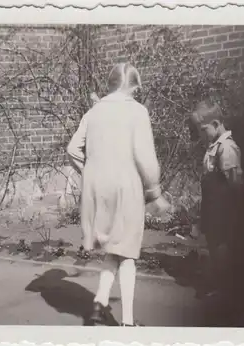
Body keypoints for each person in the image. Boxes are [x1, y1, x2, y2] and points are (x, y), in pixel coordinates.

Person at [67, 62, 170, 327]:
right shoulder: (136, 111)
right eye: (136, 90)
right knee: (128, 253)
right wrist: (154, 191)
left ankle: (99, 303)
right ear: (132, 87)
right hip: (126, 187)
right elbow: (144, 156)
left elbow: (72, 149)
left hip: (97, 188)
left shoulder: (94, 112)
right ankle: (126, 323)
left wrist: (92, 169)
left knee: (115, 248)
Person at [189, 99, 243, 305]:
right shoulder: (214, 146)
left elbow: (235, 183)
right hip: (213, 207)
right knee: (214, 246)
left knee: (221, 248)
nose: (202, 135)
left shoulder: (226, 148)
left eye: (203, 130)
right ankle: (219, 284)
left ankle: (225, 288)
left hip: (223, 209)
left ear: (216, 124)